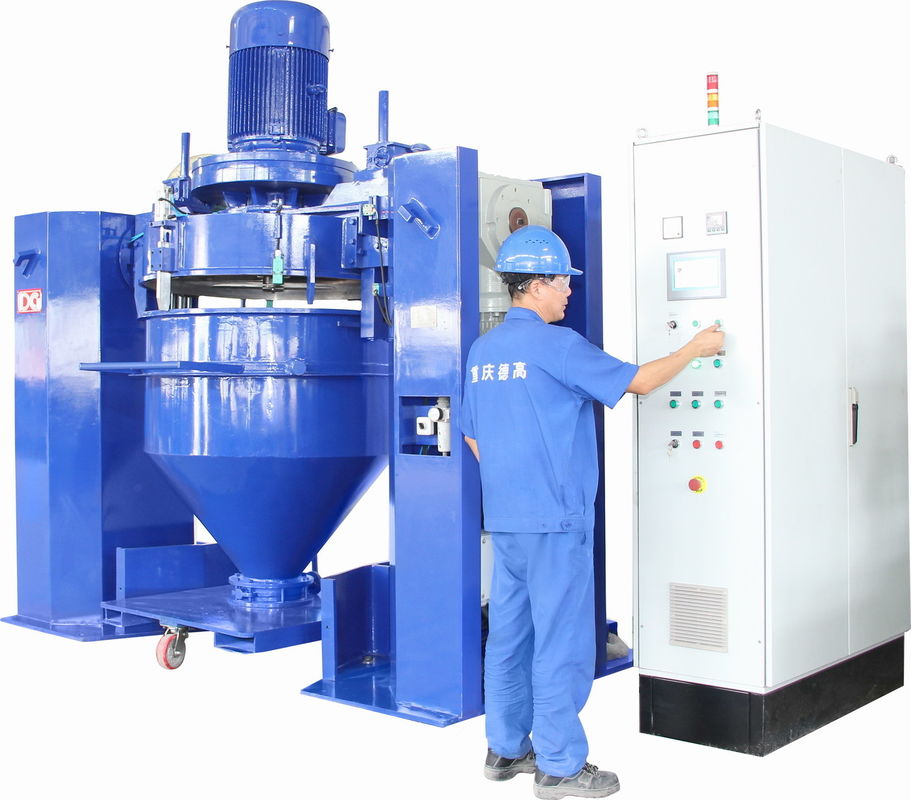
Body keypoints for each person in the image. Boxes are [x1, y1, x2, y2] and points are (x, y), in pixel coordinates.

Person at [461, 225, 724, 799]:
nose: (569, 292)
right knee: (561, 643)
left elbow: (474, 436)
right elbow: (641, 382)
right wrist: (694, 349)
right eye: (562, 281)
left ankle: (505, 750)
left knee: (508, 637)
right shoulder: (558, 346)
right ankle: (560, 767)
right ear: (535, 284)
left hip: (506, 520)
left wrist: (515, 479)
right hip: (556, 522)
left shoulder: (483, 351)